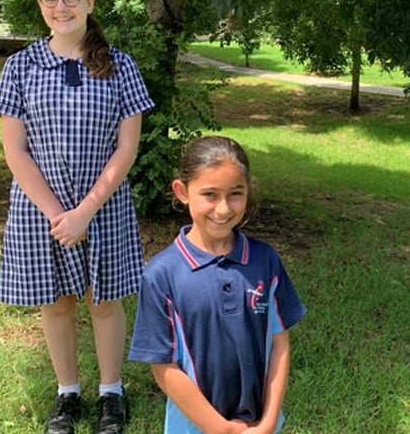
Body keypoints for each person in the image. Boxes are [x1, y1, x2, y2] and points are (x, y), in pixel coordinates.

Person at [0, 0, 154, 434]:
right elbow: (14, 148)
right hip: (42, 209)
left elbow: (127, 147)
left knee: (103, 301)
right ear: (40, 5)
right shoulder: (21, 66)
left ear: (90, 2)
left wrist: (85, 211)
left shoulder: (120, 65)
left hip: (103, 205)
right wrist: (58, 214)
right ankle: (68, 394)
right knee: (57, 301)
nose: (61, 7)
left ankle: (111, 394)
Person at [128, 136, 307, 433]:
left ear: (248, 190)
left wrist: (268, 422)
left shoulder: (265, 261)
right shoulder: (162, 274)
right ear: (182, 191)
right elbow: (163, 368)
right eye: (210, 194)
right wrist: (221, 429)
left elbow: (279, 343)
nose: (223, 209)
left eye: (235, 194)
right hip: (193, 427)